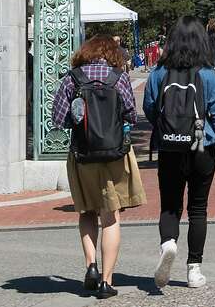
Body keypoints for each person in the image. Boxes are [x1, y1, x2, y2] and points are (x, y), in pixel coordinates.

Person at [50, 35, 146, 298]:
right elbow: (130, 113)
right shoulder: (119, 77)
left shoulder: (73, 78)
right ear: (112, 53)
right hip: (114, 154)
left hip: (82, 154)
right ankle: (106, 281)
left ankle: (91, 265)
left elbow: (58, 119)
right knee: (111, 216)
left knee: (86, 212)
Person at [142, 17, 215, 289]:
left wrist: (165, 126)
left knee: (169, 205)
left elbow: (149, 108)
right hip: (202, 145)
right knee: (198, 208)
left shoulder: (159, 73)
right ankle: (194, 269)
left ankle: (168, 243)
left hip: (170, 145)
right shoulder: (207, 74)